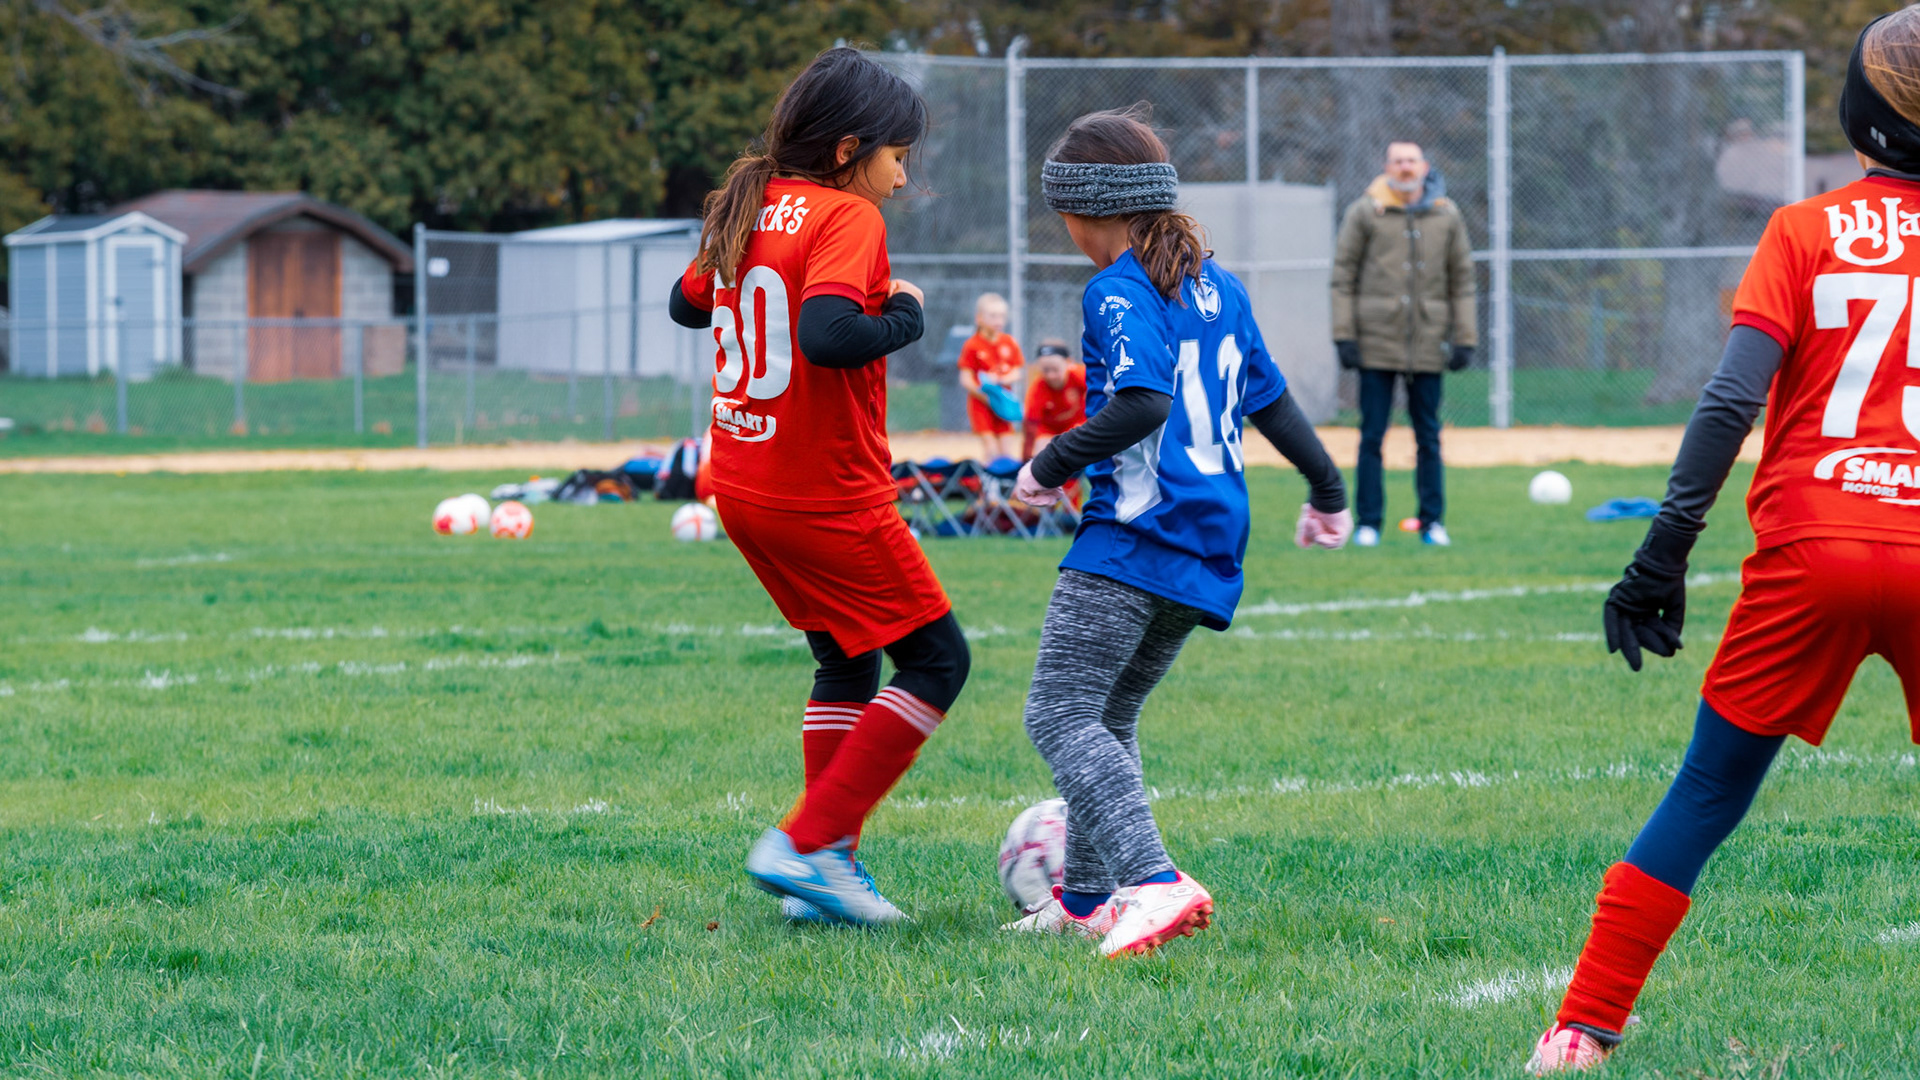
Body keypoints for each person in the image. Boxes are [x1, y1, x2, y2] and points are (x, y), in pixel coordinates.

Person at [1527, 12, 1920, 1072]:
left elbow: (1730, 400)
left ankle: (1582, 1028)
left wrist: (1661, 553)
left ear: (1859, 112)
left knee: (1707, 791)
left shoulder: (1803, 230)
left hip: (1811, 547)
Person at [1009, 107, 1353, 958]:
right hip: (1208, 544)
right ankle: (1086, 901)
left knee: (1058, 714)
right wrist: (1328, 488)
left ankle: (1153, 880)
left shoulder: (1116, 289)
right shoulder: (1219, 286)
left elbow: (1144, 402)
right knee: (1109, 713)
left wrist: (1047, 466)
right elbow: (1270, 400)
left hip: (1136, 535)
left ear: (1084, 210)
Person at [667, 47, 969, 928]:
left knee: (845, 659)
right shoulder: (846, 214)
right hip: (823, 492)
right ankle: (809, 844)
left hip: (741, 483)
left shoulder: (750, 199)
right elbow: (829, 335)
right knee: (938, 661)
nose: (902, 177)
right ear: (846, 151)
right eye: (897, 156)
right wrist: (905, 314)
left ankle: (824, 876)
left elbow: (687, 304)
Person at [1330, 140, 1476, 548]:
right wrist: (1344, 335)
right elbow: (1343, 276)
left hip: (1428, 343)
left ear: (1424, 166)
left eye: (1411, 160)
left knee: (1428, 436)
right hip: (1376, 342)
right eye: (1398, 161)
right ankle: (1368, 523)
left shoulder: (1446, 215)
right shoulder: (1365, 212)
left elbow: (1462, 280)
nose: (1405, 167)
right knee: (1371, 435)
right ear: (1387, 166)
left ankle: (1433, 522)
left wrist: (1464, 338)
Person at [958, 292, 1025, 461]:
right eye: (993, 316)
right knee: (991, 448)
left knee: (1006, 449)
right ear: (979, 318)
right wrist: (986, 396)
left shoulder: (1009, 342)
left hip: (1003, 402)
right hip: (982, 403)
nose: (998, 321)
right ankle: (989, 477)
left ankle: (1006, 477)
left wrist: (1001, 381)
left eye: (1002, 316)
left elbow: (1017, 371)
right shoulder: (972, 345)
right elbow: (966, 379)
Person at [1021, 339, 1086, 459]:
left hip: (1076, 425)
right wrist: (1026, 458)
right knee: (1041, 454)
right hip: (1049, 430)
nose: (1051, 376)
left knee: (1078, 443)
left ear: (1068, 363)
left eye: (1055, 369)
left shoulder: (1080, 375)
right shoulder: (1038, 389)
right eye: (1046, 370)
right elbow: (1031, 426)